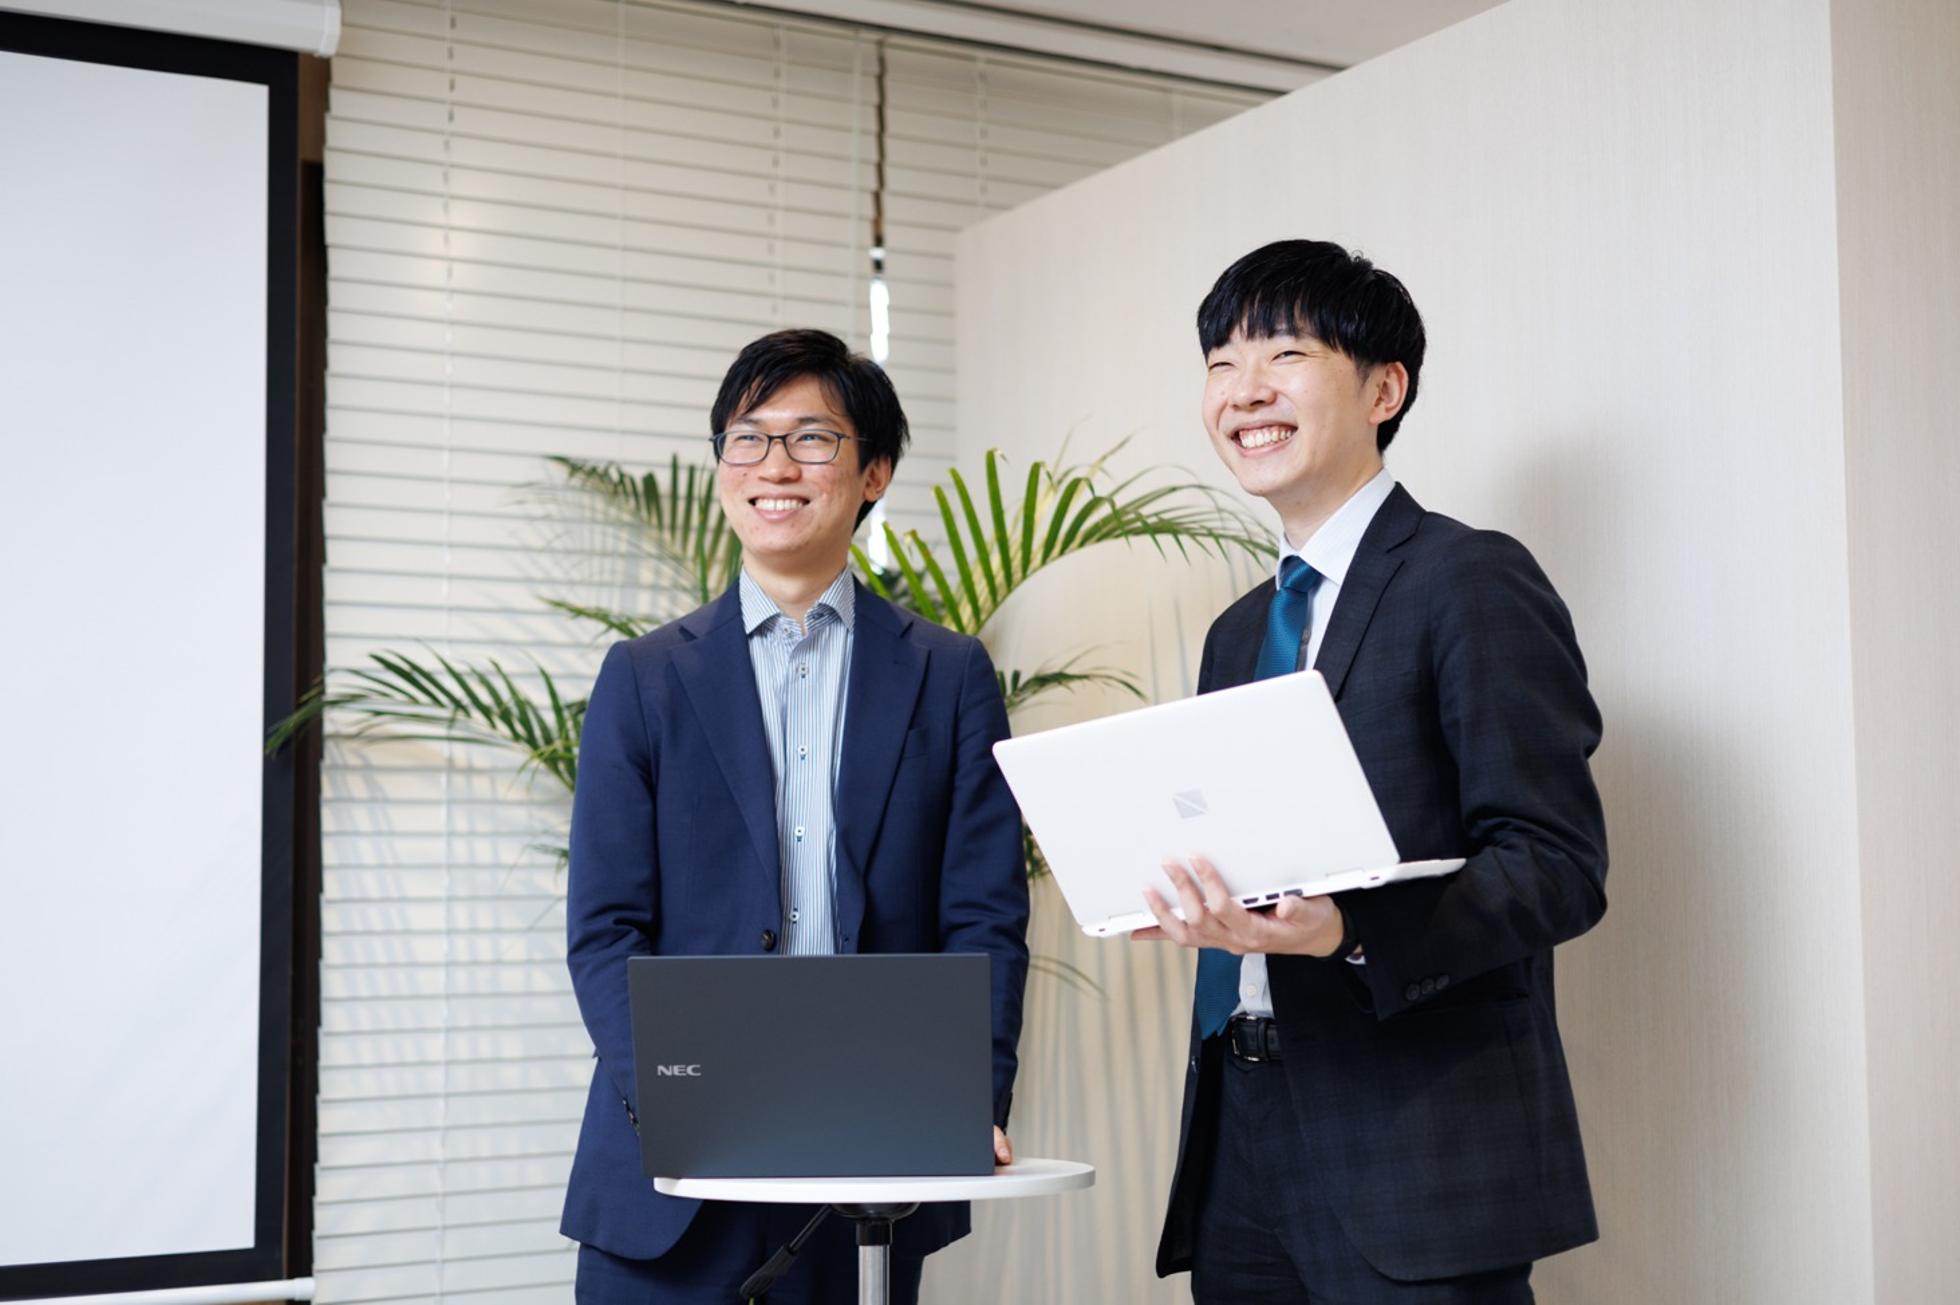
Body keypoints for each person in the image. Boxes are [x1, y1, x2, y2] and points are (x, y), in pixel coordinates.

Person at [1135, 240, 1608, 1304]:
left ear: (1383, 390)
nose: (1243, 391)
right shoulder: (1236, 632)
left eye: (1284, 354)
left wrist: (1347, 930)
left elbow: (1556, 866)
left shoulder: (1468, 578)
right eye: (1220, 364)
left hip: (1417, 1146)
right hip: (1239, 1133)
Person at [561, 328, 1029, 1304]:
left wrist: (963, 1101)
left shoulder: (948, 676)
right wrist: (679, 1103)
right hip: (674, 1181)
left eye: (812, 438)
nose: (774, 466)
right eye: (747, 437)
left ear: (873, 472)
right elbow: (605, 930)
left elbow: (984, 920)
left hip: (871, 1167)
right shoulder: (644, 679)